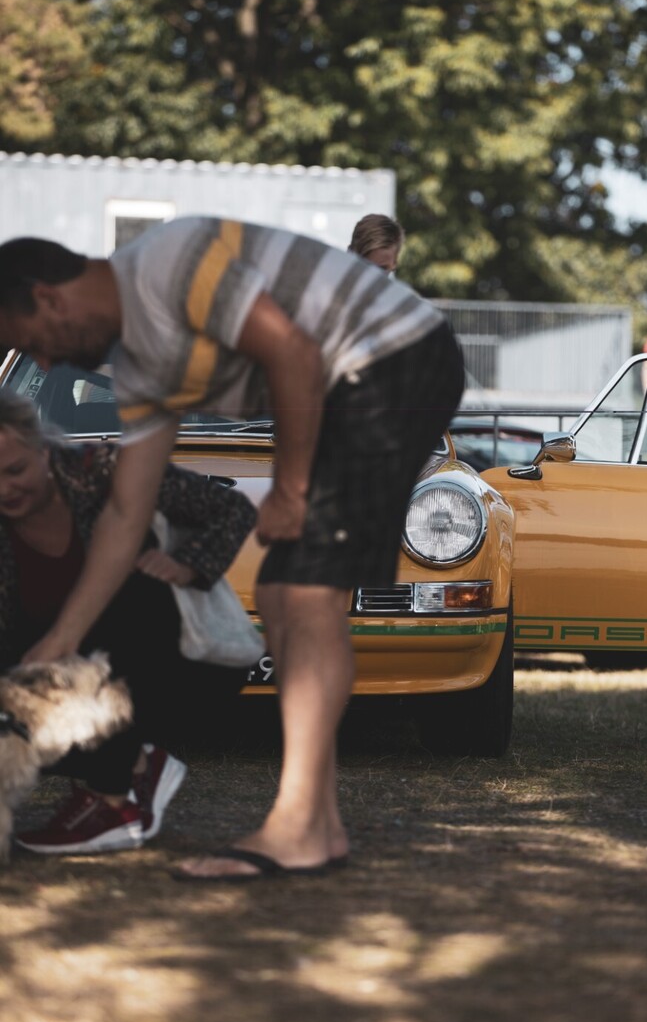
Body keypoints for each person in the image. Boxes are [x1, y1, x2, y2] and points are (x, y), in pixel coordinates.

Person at [0, 218, 464, 881]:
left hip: (393, 356)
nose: (43, 364)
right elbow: (127, 512)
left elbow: (292, 351)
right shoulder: (140, 366)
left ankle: (299, 829)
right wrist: (62, 639)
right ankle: (318, 827)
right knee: (281, 593)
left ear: (47, 298)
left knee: (302, 591)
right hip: (352, 377)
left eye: (32, 345)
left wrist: (291, 490)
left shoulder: (167, 263)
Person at [0, 387, 256, 855]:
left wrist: (189, 564)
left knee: (131, 583)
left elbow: (233, 509)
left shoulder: (102, 470)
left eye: (14, 470)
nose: (4, 489)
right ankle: (135, 766)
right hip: (64, 678)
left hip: (178, 663)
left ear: (43, 449)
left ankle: (112, 796)